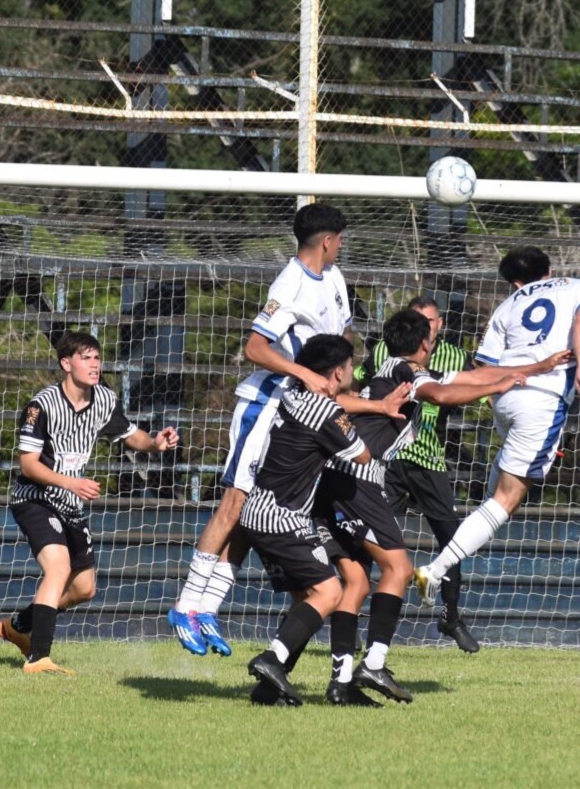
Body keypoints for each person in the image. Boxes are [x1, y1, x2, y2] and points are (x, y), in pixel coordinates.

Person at [169, 203, 408, 657]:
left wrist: (375, 402)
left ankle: (209, 607)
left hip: (301, 410)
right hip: (266, 404)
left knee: (247, 509)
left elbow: (334, 365)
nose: (342, 246)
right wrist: (303, 372)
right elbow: (256, 348)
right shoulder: (291, 283)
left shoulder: (335, 281)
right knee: (236, 500)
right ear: (327, 241)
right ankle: (186, 606)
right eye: (340, 239)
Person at [319, 309, 570, 705]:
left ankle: (331, 677)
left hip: (341, 475)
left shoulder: (392, 365)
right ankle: (374, 661)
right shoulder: (408, 371)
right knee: (398, 569)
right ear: (426, 345)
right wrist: (500, 388)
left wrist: (537, 367)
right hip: (360, 480)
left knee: (354, 583)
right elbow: (443, 393)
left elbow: (470, 377)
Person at [414, 245, 580, 607]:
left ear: (515, 283)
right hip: (542, 399)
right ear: (550, 267)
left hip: (505, 395)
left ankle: (452, 558)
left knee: (494, 497)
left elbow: (484, 367)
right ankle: (434, 571)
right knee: (506, 501)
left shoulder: (507, 305)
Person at [0, 331, 179, 675]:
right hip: (34, 498)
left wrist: (155, 443)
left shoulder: (104, 400)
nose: (95, 365)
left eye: (97, 358)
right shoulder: (42, 405)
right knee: (59, 568)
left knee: (84, 588)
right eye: (86, 358)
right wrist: (70, 482)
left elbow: (130, 434)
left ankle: (19, 625)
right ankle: (39, 659)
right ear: (66, 364)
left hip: (69, 502)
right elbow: (29, 465)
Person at [239, 334, 370, 706]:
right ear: (335, 372)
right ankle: (271, 659)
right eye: (349, 366)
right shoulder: (326, 412)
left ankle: (268, 688)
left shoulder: (293, 393)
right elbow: (360, 455)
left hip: (257, 510)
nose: (352, 372)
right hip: (282, 516)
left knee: (306, 602)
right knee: (331, 593)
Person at [359, 296, 483, 652]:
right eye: (418, 320)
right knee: (372, 538)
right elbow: (359, 382)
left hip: (430, 459)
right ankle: (355, 614)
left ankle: (451, 616)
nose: (424, 328)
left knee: (453, 540)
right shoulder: (386, 354)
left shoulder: (455, 357)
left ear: (439, 325)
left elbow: (473, 391)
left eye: (430, 321)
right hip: (392, 460)